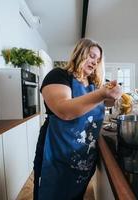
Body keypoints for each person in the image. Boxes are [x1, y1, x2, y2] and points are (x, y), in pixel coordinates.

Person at [33, 38, 122, 200]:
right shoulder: (58, 75)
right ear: (80, 53)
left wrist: (115, 95)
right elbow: (63, 110)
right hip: (56, 153)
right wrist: (102, 94)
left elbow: (106, 101)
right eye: (91, 56)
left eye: (98, 59)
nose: (95, 62)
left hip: (82, 158)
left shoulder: (95, 85)